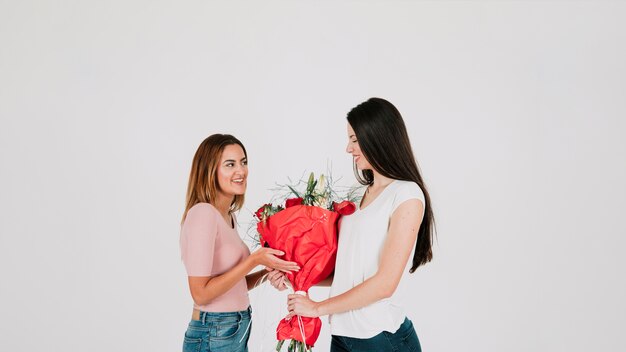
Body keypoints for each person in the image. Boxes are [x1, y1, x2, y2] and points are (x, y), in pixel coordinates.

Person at [283, 98, 435, 351]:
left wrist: (317, 309)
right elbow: (344, 272)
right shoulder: (355, 195)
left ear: (378, 138)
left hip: (381, 338)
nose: (348, 148)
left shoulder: (406, 195)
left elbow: (385, 284)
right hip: (342, 336)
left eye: (354, 139)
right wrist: (294, 277)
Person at [180, 134, 300, 352]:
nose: (241, 171)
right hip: (214, 331)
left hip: (233, 327)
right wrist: (255, 259)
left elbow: (233, 285)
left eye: (243, 162)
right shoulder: (203, 214)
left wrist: (268, 270)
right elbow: (200, 293)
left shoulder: (228, 216)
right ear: (210, 170)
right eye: (230, 164)